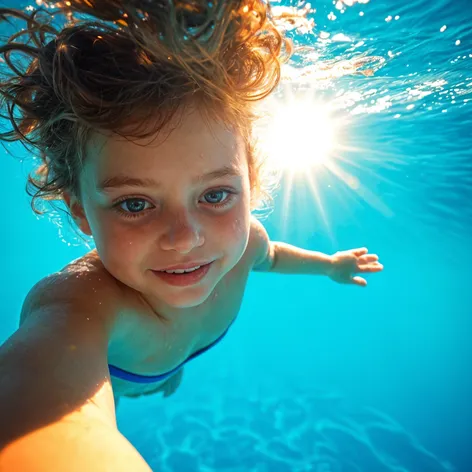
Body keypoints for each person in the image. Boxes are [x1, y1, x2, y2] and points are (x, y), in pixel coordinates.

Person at [0, 0, 383, 469]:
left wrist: (331, 266)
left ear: (252, 183)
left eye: (216, 195)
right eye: (135, 204)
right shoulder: (77, 308)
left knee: (166, 375)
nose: (184, 239)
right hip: (123, 375)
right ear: (81, 212)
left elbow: (274, 255)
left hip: (169, 359)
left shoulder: (246, 247)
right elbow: (39, 411)